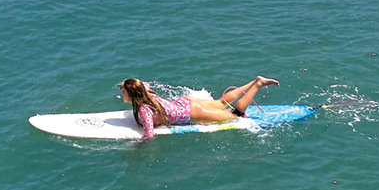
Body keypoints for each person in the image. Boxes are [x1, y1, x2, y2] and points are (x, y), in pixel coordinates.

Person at [119, 76, 278, 140]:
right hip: (185, 102)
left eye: (123, 90)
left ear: (133, 93)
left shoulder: (143, 109)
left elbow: (149, 134)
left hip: (192, 113)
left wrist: (138, 145)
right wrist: (127, 82)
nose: (121, 92)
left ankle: (258, 84)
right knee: (220, 103)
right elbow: (142, 84)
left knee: (235, 115)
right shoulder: (147, 93)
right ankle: (254, 81)